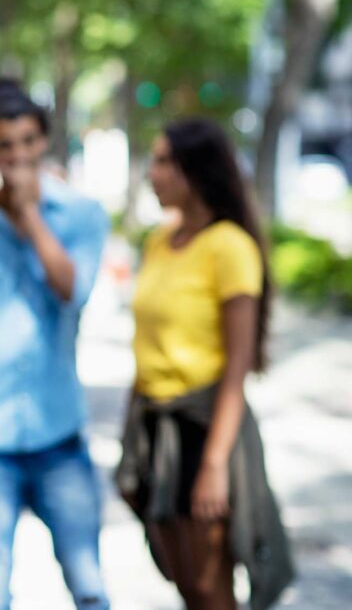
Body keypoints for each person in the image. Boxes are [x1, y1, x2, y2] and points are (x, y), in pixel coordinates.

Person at [0, 79, 109, 610]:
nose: (18, 155)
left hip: (60, 433)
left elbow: (71, 293)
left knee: (89, 587)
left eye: (28, 141)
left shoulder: (82, 215)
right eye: (5, 144)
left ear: (44, 142)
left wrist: (31, 214)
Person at [116, 118, 293, 610]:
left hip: (204, 427)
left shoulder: (230, 247)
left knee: (211, 590)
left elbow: (238, 368)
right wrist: (130, 440)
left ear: (198, 170)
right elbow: (145, 345)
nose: (153, 173)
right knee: (183, 580)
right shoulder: (158, 241)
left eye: (164, 161)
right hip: (154, 425)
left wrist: (214, 466)